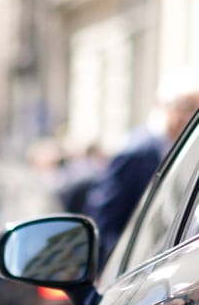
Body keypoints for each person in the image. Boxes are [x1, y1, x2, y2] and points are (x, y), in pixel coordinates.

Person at [85, 67, 199, 268]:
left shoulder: (185, 147)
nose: (189, 116)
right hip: (136, 265)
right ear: (165, 106)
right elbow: (105, 219)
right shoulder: (136, 152)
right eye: (186, 107)